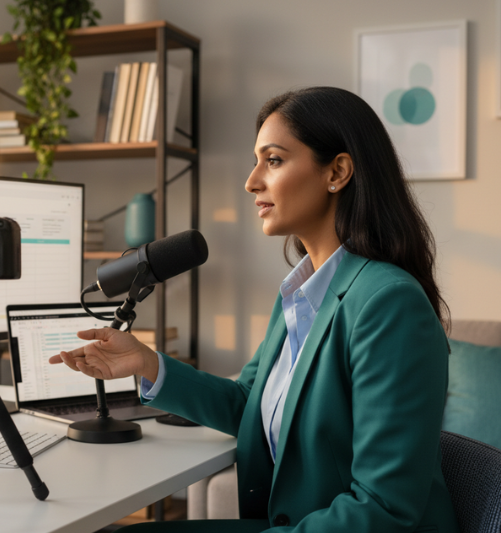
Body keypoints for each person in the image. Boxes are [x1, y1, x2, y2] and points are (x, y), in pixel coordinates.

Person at [50, 87, 460, 533]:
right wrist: (147, 364)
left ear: (337, 172)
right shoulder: (302, 294)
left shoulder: (388, 304)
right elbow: (249, 404)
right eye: (256, 160)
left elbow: (384, 509)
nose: (251, 181)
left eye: (274, 160)